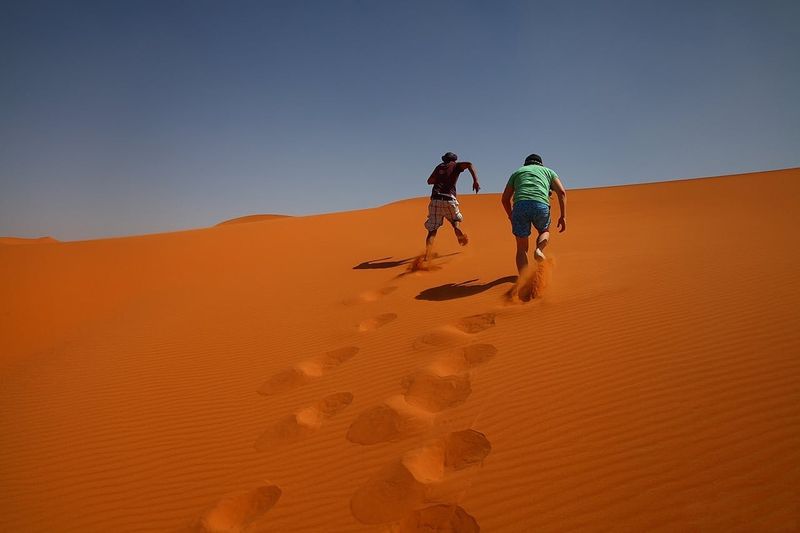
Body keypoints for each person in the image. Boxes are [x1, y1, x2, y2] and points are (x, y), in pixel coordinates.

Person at [501, 153, 567, 273]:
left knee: (521, 249)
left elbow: (505, 199)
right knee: (544, 231)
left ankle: (524, 280)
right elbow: (561, 192)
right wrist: (563, 216)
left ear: (526, 163)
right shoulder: (549, 172)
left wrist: (510, 214)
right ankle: (539, 250)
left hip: (520, 206)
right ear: (541, 164)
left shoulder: (518, 172)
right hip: (540, 205)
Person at [424, 152, 480, 258]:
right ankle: (456, 229)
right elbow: (469, 164)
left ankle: (427, 255)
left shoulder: (439, 166)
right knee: (455, 219)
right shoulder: (456, 165)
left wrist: (440, 178)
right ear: (454, 160)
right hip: (449, 198)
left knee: (432, 229)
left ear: (444, 159)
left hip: (435, 199)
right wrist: (475, 181)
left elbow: (429, 181)